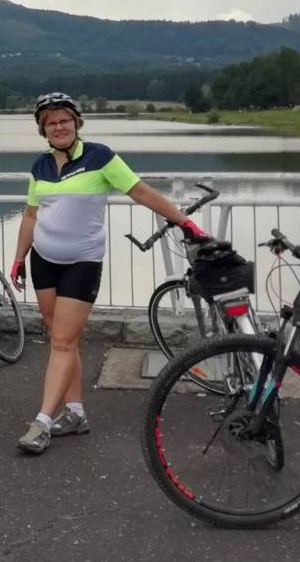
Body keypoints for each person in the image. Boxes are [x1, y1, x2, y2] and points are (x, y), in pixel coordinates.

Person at [12, 92, 204, 456]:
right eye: (51, 123)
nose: (59, 127)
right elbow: (31, 214)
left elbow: (141, 191)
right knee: (62, 340)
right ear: (43, 130)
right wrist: (19, 257)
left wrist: (184, 222)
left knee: (63, 342)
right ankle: (75, 412)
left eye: (64, 120)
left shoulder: (100, 157)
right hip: (44, 261)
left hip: (82, 262)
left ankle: (42, 422)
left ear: (76, 123)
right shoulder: (40, 166)